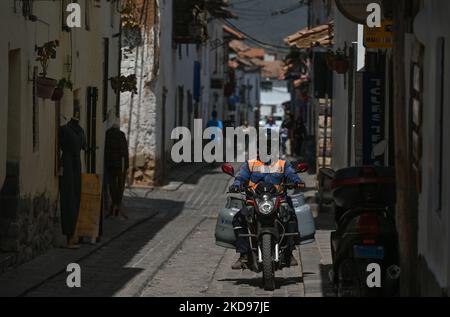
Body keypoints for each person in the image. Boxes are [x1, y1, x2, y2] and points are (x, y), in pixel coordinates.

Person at [228, 138, 305, 270]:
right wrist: (236, 185)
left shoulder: (282, 164)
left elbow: (292, 175)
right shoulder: (250, 164)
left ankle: (289, 252)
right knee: (238, 219)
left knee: (291, 217)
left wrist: (297, 181)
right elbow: (241, 177)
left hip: (278, 200)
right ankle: (244, 254)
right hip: (255, 200)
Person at [59, 105, 86, 249]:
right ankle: (69, 234)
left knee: (74, 198)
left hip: (73, 165)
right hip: (70, 166)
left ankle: (72, 233)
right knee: (69, 198)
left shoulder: (77, 131)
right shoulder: (72, 131)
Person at [104, 117, 129, 220]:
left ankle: (114, 205)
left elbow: (106, 150)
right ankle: (116, 205)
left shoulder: (107, 134)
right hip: (121, 165)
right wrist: (126, 165)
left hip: (110, 165)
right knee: (120, 186)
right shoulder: (121, 135)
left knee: (112, 185)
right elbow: (125, 152)